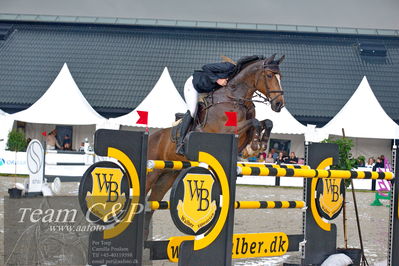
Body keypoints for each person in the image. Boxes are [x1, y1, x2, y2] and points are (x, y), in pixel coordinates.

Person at [176, 61, 236, 155]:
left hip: (208, 90)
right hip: (195, 85)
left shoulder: (237, 78)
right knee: (193, 111)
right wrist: (218, 80)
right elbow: (206, 67)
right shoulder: (228, 66)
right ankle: (180, 143)